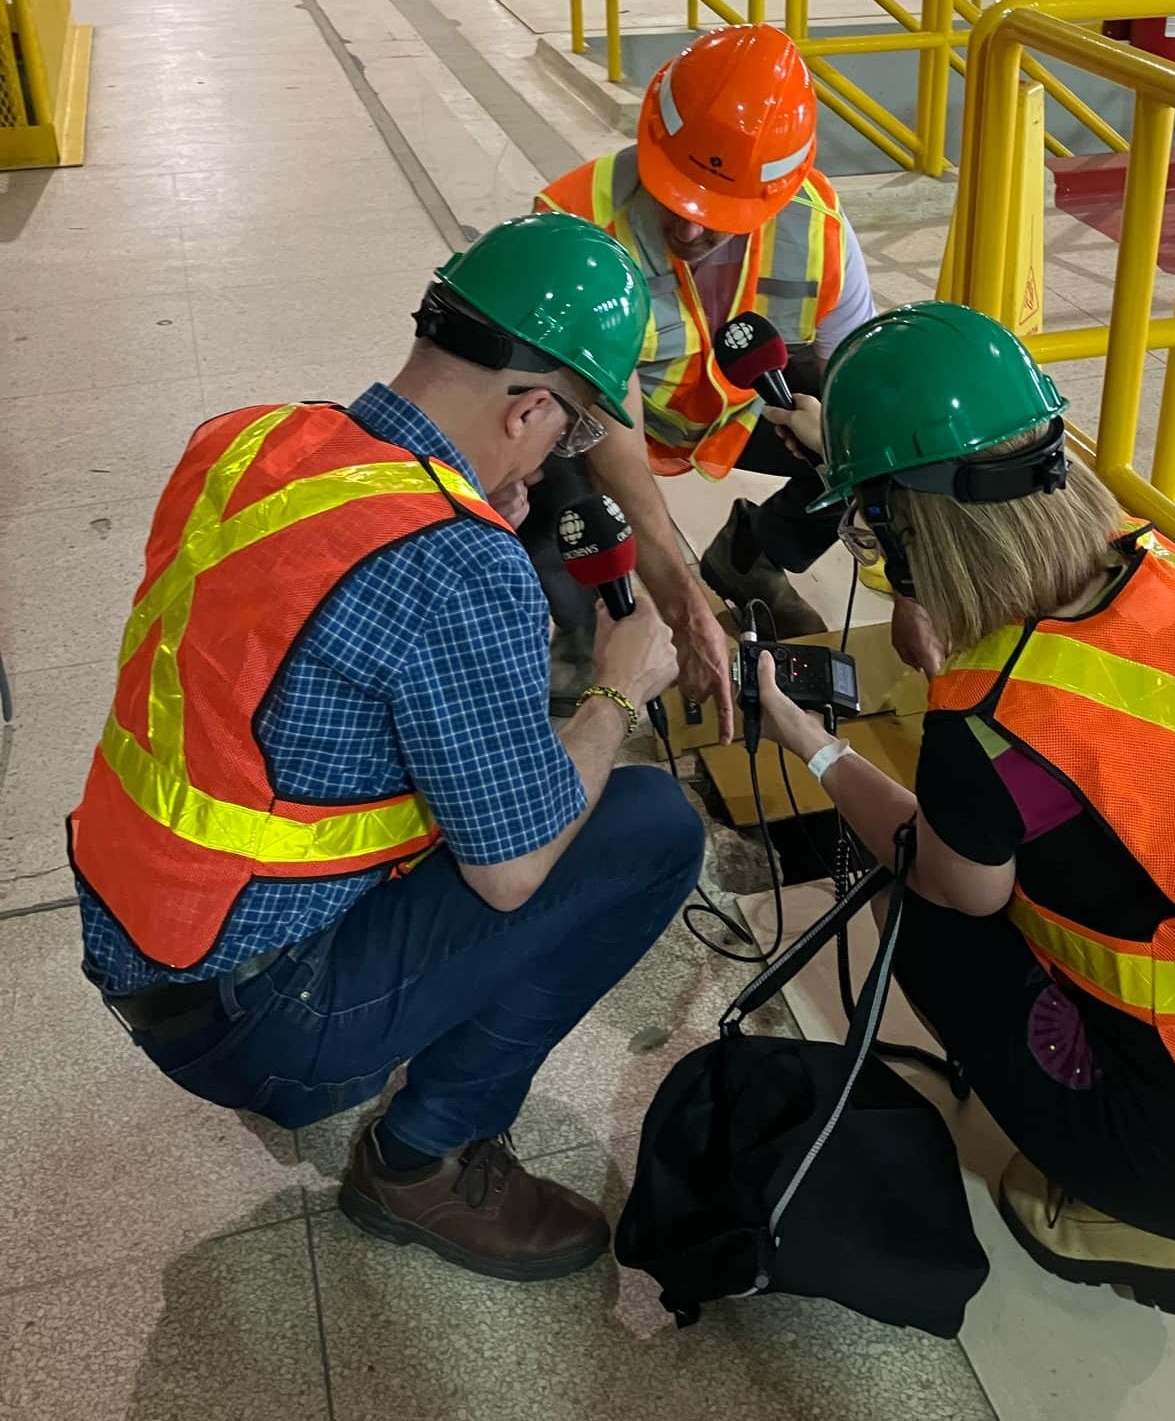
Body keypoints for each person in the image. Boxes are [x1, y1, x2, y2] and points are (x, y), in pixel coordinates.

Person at [752, 301, 1175, 1318]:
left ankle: (1137, 1223)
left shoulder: (989, 719)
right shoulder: (1168, 569)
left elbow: (947, 877)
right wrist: (866, 462)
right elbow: (982, 512)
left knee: (920, 909)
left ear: (903, 534)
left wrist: (810, 743)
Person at [69, 216, 704, 1284]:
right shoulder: (459, 565)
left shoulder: (247, 437)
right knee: (647, 825)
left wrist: (468, 519)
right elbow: (514, 873)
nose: (554, 456)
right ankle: (421, 1160)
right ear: (528, 408)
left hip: (133, 930)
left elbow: (310, 627)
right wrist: (615, 689)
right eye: (568, 432)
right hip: (256, 1018)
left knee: (483, 767)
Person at [529, 22, 935, 726]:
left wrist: (911, 585)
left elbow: (864, 393)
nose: (688, 232)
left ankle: (752, 555)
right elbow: (613, 440)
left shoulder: (817, 226)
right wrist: (681, 603)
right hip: (606, 418)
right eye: (673, 197)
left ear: (776, 192)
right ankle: (580, 627)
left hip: (739, 408)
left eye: (716, 215)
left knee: (868, 431)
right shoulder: (575, 223)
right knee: (545, 460)